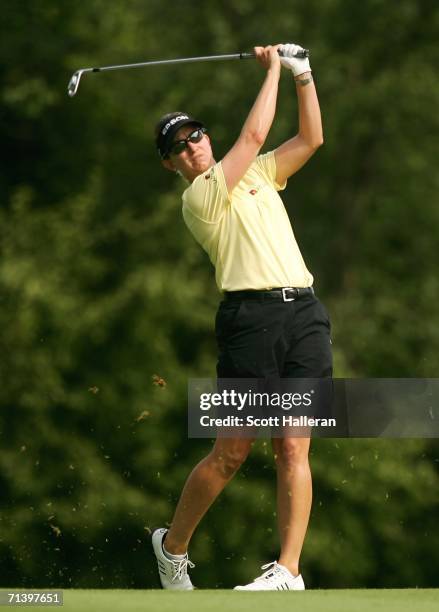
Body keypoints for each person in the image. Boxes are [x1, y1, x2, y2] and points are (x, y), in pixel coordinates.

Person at [151, 43, 332, 591]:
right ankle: (172, 549)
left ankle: (290, 571)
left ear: (206, 137)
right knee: (231, 452)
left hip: (304, 312)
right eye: (177, 148)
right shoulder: (200, 197)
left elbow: (311, 139)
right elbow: (253, 134)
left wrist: (303, 75)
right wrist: (274, 66)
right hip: (248, 320)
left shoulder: (259, 174)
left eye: (195, 136)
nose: (191, 149)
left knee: (294, 445)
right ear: (171, 164)